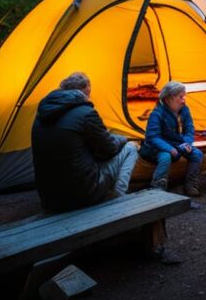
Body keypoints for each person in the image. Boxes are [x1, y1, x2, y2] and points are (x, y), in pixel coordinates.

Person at [31, 72, 138, 212]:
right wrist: (124, 138)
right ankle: (119, 200)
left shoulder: (40, 115)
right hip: (81, 195)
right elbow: (109, 149)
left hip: (49, 198)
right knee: (131, 148)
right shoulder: (85, 113)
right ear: (86, 90)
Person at [139, 81, 203, 196]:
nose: (184, 100)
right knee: (166, 156)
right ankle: (157, 187)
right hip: (156, 147)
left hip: (177, 144)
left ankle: (190, 184)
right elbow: (152, 137)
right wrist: (170, 148)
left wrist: (187, 143)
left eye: (184, 96)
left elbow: (189, 129)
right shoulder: (157, 114)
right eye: (181, 97)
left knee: (197, 154)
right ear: (169, 99)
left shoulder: (184, 110)